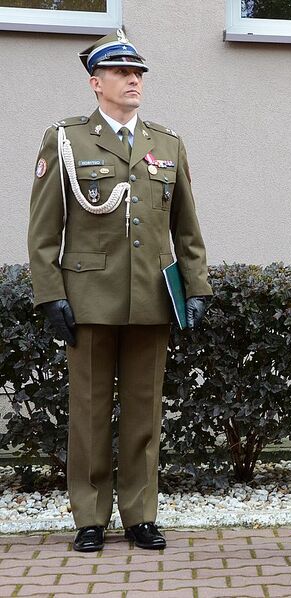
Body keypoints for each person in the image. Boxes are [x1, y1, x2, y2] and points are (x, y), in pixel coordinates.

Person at [27, 30, 212, 553]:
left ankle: (140, 515)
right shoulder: (66, 140)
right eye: (121, 72)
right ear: (96, 83)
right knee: (87, 411)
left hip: (152, 296)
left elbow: (187, 227)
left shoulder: (167, 143)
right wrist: (50, 293)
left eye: (139, 73)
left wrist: (195, 287)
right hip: (88, 296)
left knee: (143, 411)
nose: (134, 80)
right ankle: (89, 516)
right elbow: (44, 228)